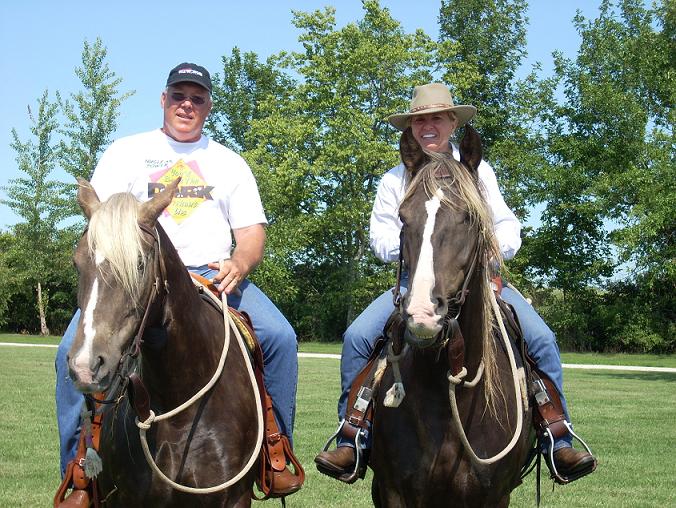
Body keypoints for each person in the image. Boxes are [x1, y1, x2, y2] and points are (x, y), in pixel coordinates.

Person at [315, 82, 597, 484]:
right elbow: (380, 237)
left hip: (480, 281)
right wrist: (417, 245)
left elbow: (505, 224)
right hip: (414, 281)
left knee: (541, 338)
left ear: (451, 122)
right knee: (358, 337)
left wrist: (495, 250)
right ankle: (353, 434)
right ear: (411, 127)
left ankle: (556, 433)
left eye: (436, 118)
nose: (428, 126)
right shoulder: (396, 178)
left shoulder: (477, 171)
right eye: (420, 119)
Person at [55, 62, 301, 499]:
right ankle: (79, 470)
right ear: (164, 99)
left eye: (197, 98)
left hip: (213, 277)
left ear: (208, 106)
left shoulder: (228, 162)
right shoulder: (126, 152)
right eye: (178, 95)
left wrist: (240, 263)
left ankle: (273, 452)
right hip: (133, 280)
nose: (187, 104)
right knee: (68, 355)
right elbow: (102, 226)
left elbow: (251, 235)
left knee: (280, 337)